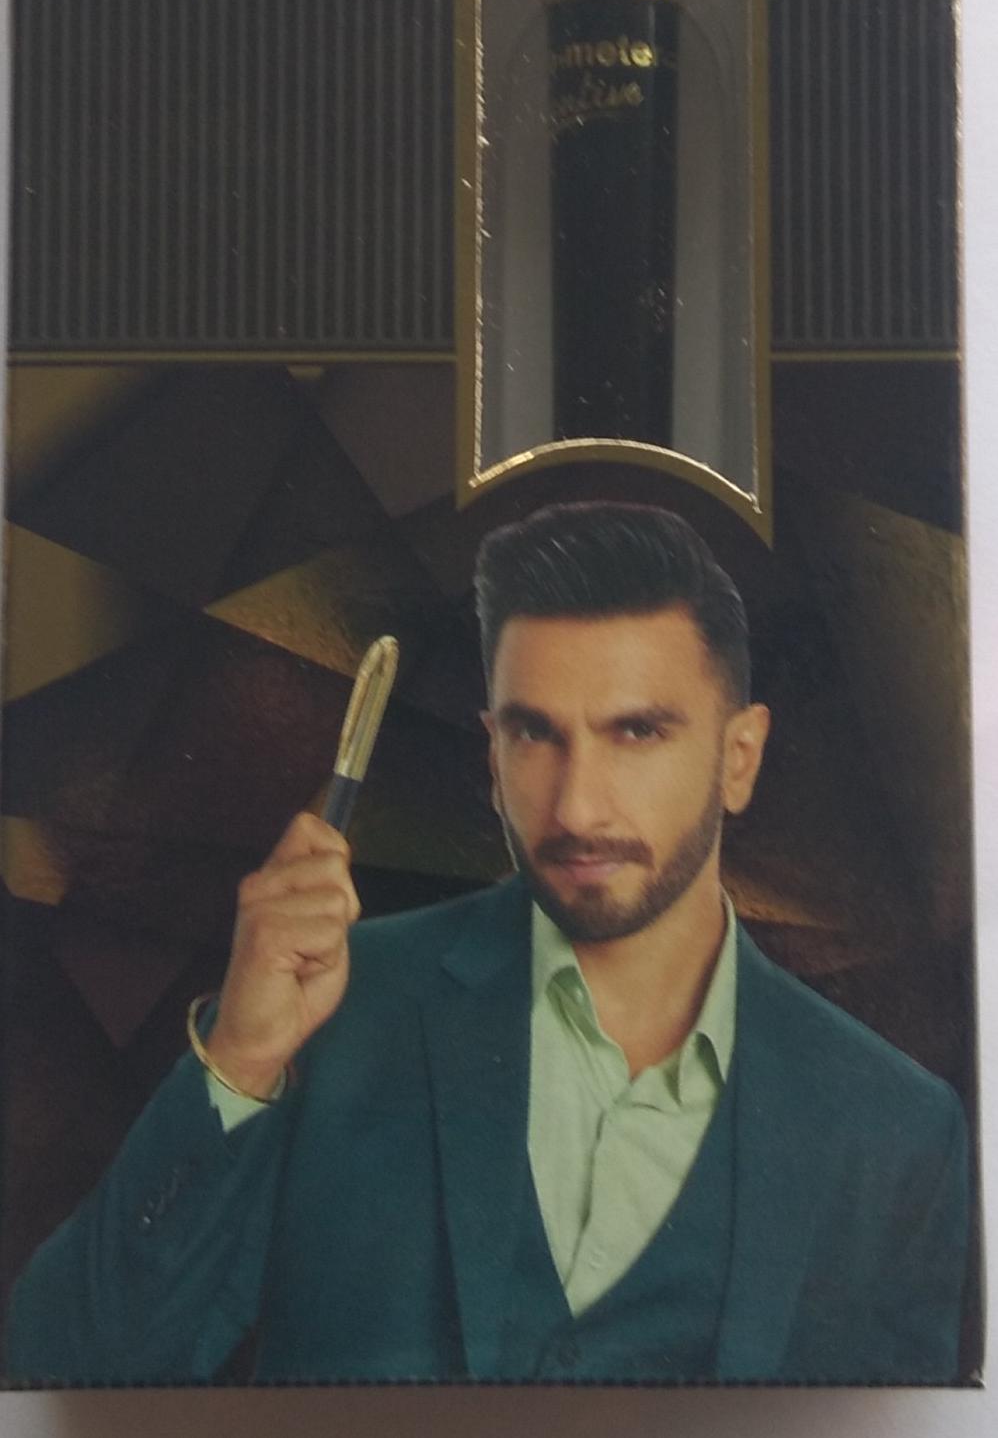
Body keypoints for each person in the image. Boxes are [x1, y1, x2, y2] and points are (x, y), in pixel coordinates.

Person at [5, 504, 969, 1385]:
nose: (577, 805)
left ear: (739, 758)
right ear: (492, 753)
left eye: (636, 732)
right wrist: (240, 1061)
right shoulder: (321, 1015)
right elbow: (60, 1377)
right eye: (535, 734)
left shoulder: (894, 1130)